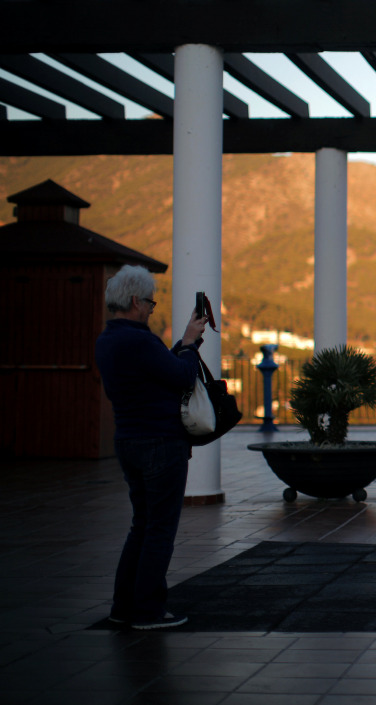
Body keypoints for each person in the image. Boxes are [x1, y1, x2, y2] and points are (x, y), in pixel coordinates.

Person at [94, 265, 208, 630]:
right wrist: (189, 345)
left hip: (128, 440)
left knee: (141, 525)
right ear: (133, 301)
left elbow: (157, 371)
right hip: (160, 442)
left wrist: (184, 344)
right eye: (150, 301)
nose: (152, 308)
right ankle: (148, 611)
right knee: (159, 529)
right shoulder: (140, 340)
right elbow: (181, 375)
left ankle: (123, 606)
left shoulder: (108, 340)